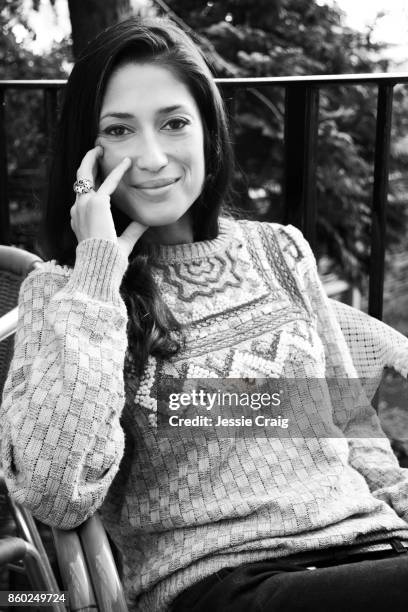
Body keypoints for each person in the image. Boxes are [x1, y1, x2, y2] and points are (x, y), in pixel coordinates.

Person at [1, 15, 408, 612]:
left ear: (208, 135)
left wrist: (399, 515)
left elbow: (348, 420)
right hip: (222, 581)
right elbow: (55, 492)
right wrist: (96, 270)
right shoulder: (61, 296)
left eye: (173, 123)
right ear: (85, 157)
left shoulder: (280, 249)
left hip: (365, 550)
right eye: (118, 130)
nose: (151, 155)